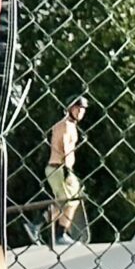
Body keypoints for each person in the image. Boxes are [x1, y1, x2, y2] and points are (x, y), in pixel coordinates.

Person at [48, 99, 87, 246]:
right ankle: (60, 233)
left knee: (66, 199)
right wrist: (66, 168)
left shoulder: (64, 125)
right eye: (78, 109)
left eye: (83, 110)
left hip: (59, 168)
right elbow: (64, 145)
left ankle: (40, 223)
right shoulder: (66, 125)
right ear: (71, 108)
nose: (81, 113)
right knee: (70, 201)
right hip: (60, 167)